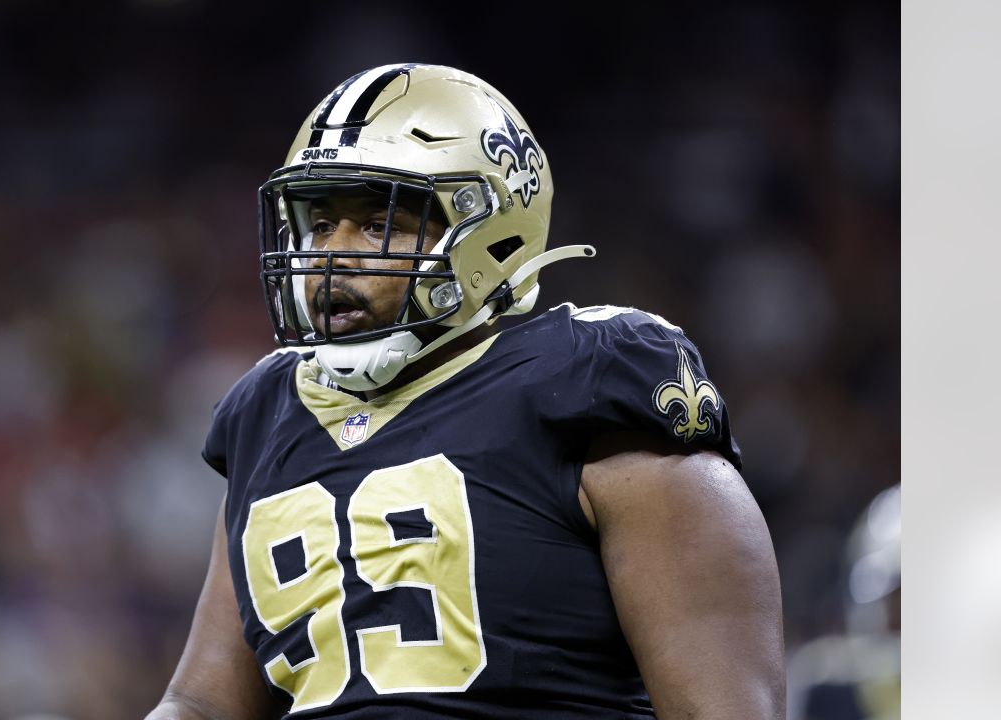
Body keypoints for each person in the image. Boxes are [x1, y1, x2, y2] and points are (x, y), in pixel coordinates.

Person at [147, 63, 785, 719]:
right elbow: (199, 702)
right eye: (318, 223)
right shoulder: (265, 413)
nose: (331, 257)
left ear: (490, 227)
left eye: (376, 223)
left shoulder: (586, 385)